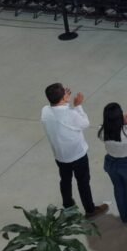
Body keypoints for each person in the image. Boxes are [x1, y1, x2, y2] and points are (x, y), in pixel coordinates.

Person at [40, 83, 108, 219]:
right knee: (83, 182)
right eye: (64, 93)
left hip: (60, 155)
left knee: (65, 180)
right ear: (63, 98)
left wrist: (64, 101)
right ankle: (90, 210)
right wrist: (78, 106)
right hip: (77, 155)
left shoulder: (45, 111)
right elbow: (85, 123)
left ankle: (68, 206)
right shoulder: (70, 114)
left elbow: (58, 109)